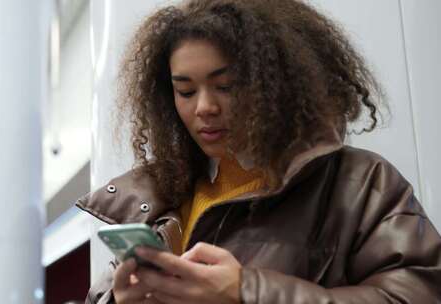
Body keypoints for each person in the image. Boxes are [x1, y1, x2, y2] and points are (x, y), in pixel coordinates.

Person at [76, 0, 441, 303]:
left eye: (226, 86)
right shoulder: (164, 194)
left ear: (277, 83)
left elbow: (419, 295)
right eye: (185, 92)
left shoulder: (360, 184)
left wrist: (245, 291)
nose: (204, 107)